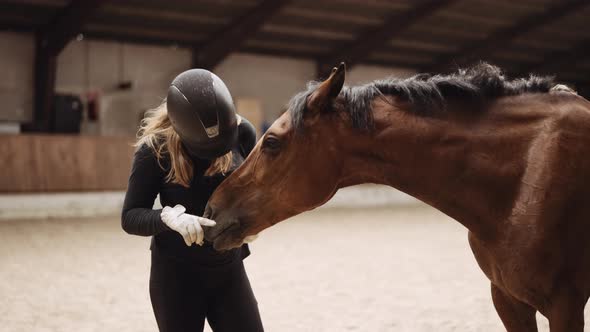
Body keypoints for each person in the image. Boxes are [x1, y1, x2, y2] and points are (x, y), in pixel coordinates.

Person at [121, 69, 263, 332]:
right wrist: (168, 218)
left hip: (228, 270)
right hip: (176, 277)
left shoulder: (242, 133)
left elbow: (252, 191)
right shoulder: (155, 150)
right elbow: (130, 216)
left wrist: (251, 222)